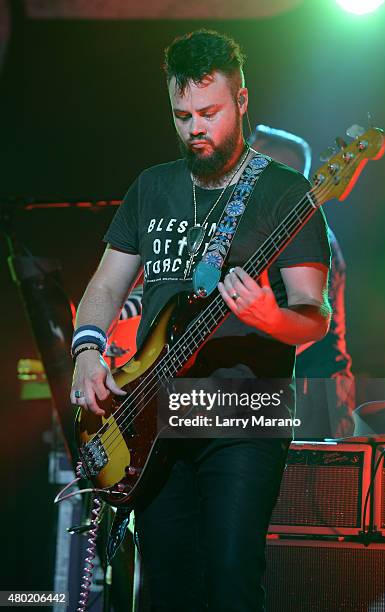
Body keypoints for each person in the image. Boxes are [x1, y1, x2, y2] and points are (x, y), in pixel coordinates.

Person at [70, 29, 331, 612]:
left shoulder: (285, 193)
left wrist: (268, 316)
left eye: (208, 112)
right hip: (155, 418)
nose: (195, 128)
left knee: (231, 581)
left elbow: (313, 318)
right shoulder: (153, 187)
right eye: (181, 115)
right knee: (164, 588)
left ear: (241, 101)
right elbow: (106, 285)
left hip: (243, 414)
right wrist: (88, 352)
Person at [249, 125, 355, 438]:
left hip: (316, 393)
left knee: (313, 487)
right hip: (274, 391)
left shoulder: (316, 236)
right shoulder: (260, 235)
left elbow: (311, 324)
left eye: (262, 166)